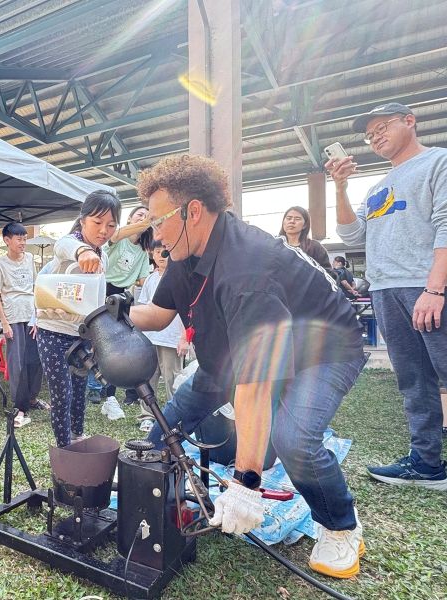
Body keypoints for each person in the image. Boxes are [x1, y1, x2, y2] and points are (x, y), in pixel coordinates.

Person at [128, 154, 366, 578]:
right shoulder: (184, 253)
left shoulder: (248, 266)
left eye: (159, 221)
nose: (155, 233)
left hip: (323, 351)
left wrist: (246, 484)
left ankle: (340, 526)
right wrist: (110, 310)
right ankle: (152, 499)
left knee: (293, 438)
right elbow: (159, 315)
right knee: (167, 424)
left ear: (192, 211)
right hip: (232, 357)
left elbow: (256, 384)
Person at [328, 101, 447, 490]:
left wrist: (435, 288)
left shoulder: (437, 162)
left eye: (382, 127)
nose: (375, 137)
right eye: (370, 134)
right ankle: (427, 463)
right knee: (414, 380)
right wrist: (340, 188)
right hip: (385, 289)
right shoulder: (378, 187)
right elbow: (352, 234)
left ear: (409, 121)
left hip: (427, 286)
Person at [37, 190, 121, 448]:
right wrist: (83, 251)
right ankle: (64, 448)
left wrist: (96, 336)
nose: (104, 231)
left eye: (111, 225)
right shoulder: (69, 244)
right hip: (52, 332)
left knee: (79, 389)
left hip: (82, 334)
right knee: (62, 394)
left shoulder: (104, 256)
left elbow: (96, 299)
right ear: (83, 220)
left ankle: (77, 437)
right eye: (97, 222)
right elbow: (64, 245)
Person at [100, 206, 153, 412]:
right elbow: (115, 235)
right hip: (103, 289)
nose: (143, 217)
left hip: (122, 295)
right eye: (140, 214)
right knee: (99, 341)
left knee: (119, 342)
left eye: (147, 215)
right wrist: (145, 222)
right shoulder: (119, 237)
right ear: (130, 218)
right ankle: (101, 390)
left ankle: (120, 393)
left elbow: (142, 279)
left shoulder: (143, 250)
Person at [0, 222, 43, 428]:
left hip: (31, 315)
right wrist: (4, 323)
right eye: (19, 239)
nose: (23, 242)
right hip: (13, 316)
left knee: (36, 359)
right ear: (7, 240)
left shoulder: (29, 258)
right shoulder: (0, 264)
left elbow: (36, 288)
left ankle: (32, 398)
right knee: (17, 363)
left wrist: (38, 316)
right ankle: (20, 406)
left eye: (25, 239)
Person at [135, 239, 187, 433]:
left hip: (171, 339)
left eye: (165, 251)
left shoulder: (180, 277)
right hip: (150, 338)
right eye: (157, 252)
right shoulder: (150, 279)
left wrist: (184, 338)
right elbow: (143, 306)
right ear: (152, 254)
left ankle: (176, 417)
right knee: (148, 379)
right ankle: (147, 416)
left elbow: (187, 310)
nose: (162, 255)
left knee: (173, 380)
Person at [278, 206, 332, 272]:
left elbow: (327, 273)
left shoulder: (314, 247)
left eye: (297, 219)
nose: (292, 221)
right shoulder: (274, 246)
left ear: (305, 225)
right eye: (288, 218)